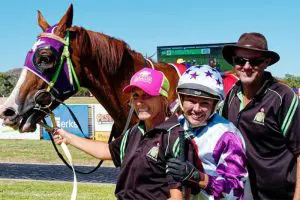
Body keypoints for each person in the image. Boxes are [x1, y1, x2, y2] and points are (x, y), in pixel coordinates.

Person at [53, 68, 188, 200]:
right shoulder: (135, 131)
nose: (140, 102)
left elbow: (177, 197)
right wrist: (68, 137)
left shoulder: (174, 136)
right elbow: (107, 151)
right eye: (135, 95)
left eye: (147, 95)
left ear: (163, 99)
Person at [221, 32, 300, 199]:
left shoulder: (282, 97)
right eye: (240, 60)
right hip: (244, 194)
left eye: (255, 61)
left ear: (266, 62)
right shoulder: (232, 95)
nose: (247, 66)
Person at [166, 65, 248, 199]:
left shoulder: (227, 135)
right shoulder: (175, 125)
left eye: (204, 103)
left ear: (215, 104)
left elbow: (235, 190)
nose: (196, 109)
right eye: (191, 101)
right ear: (181, 99)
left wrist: (199, 178)